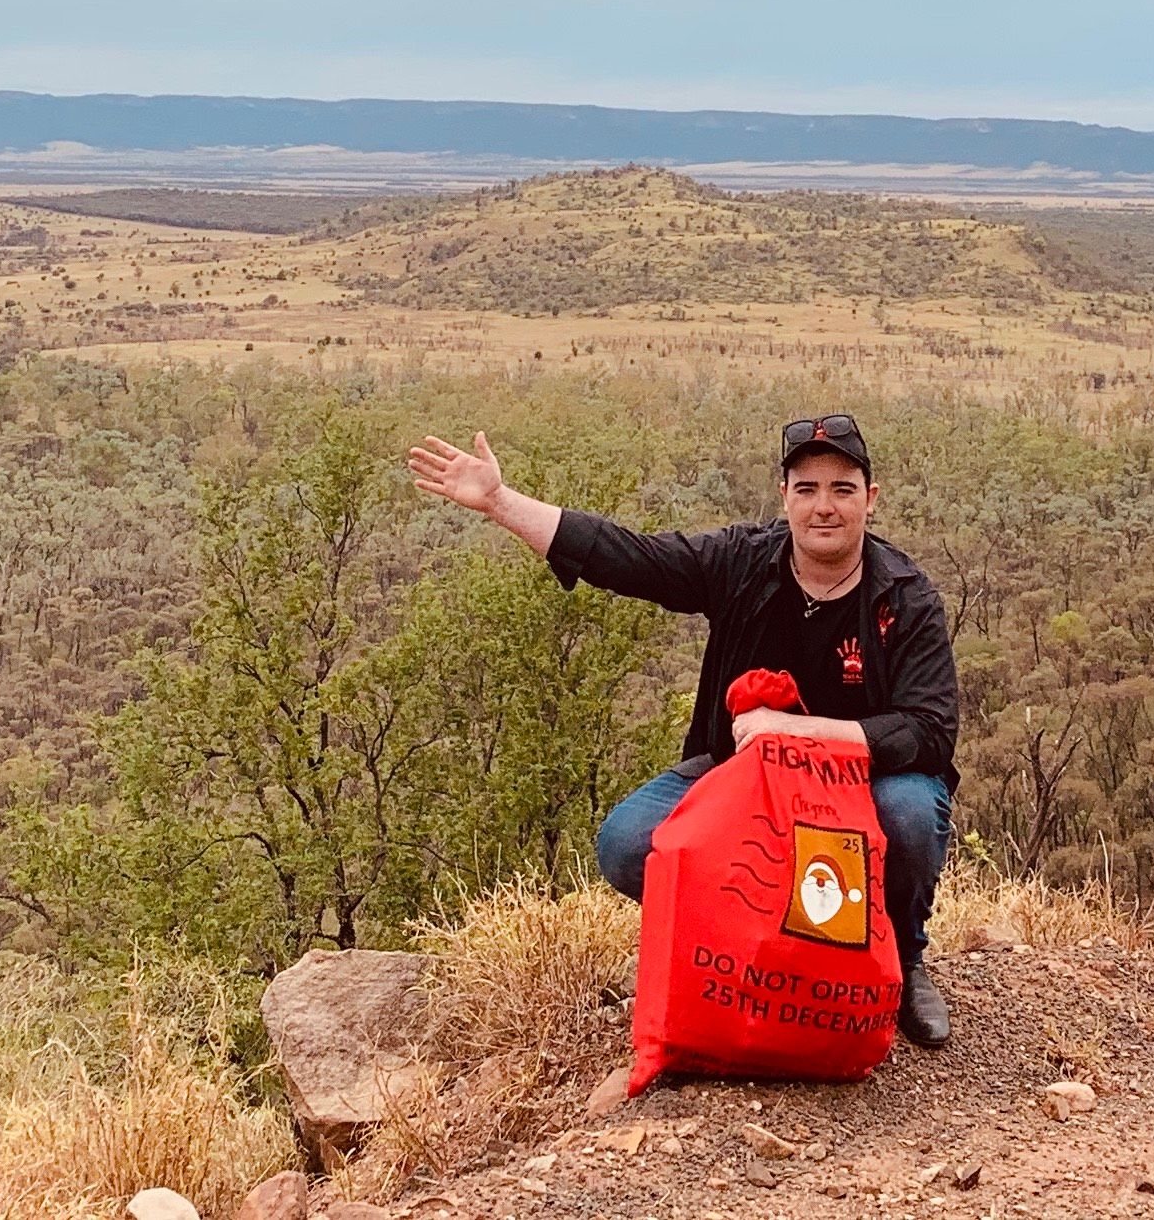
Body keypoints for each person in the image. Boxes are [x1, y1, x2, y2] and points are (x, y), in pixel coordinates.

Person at [408, 411, 960, 1049]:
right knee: (627, 843)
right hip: (737, 777)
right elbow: (628, 557)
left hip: (864, 786)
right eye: (806, 490)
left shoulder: (905, 599)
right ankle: (757, 948)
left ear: (871, 497)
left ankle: (902, 957)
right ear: (784, 498)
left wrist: (793, 731)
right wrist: (501, 503)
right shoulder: (742, 563)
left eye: (842, 489)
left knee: (914, 814)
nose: (824, 507)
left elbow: (928, 732)